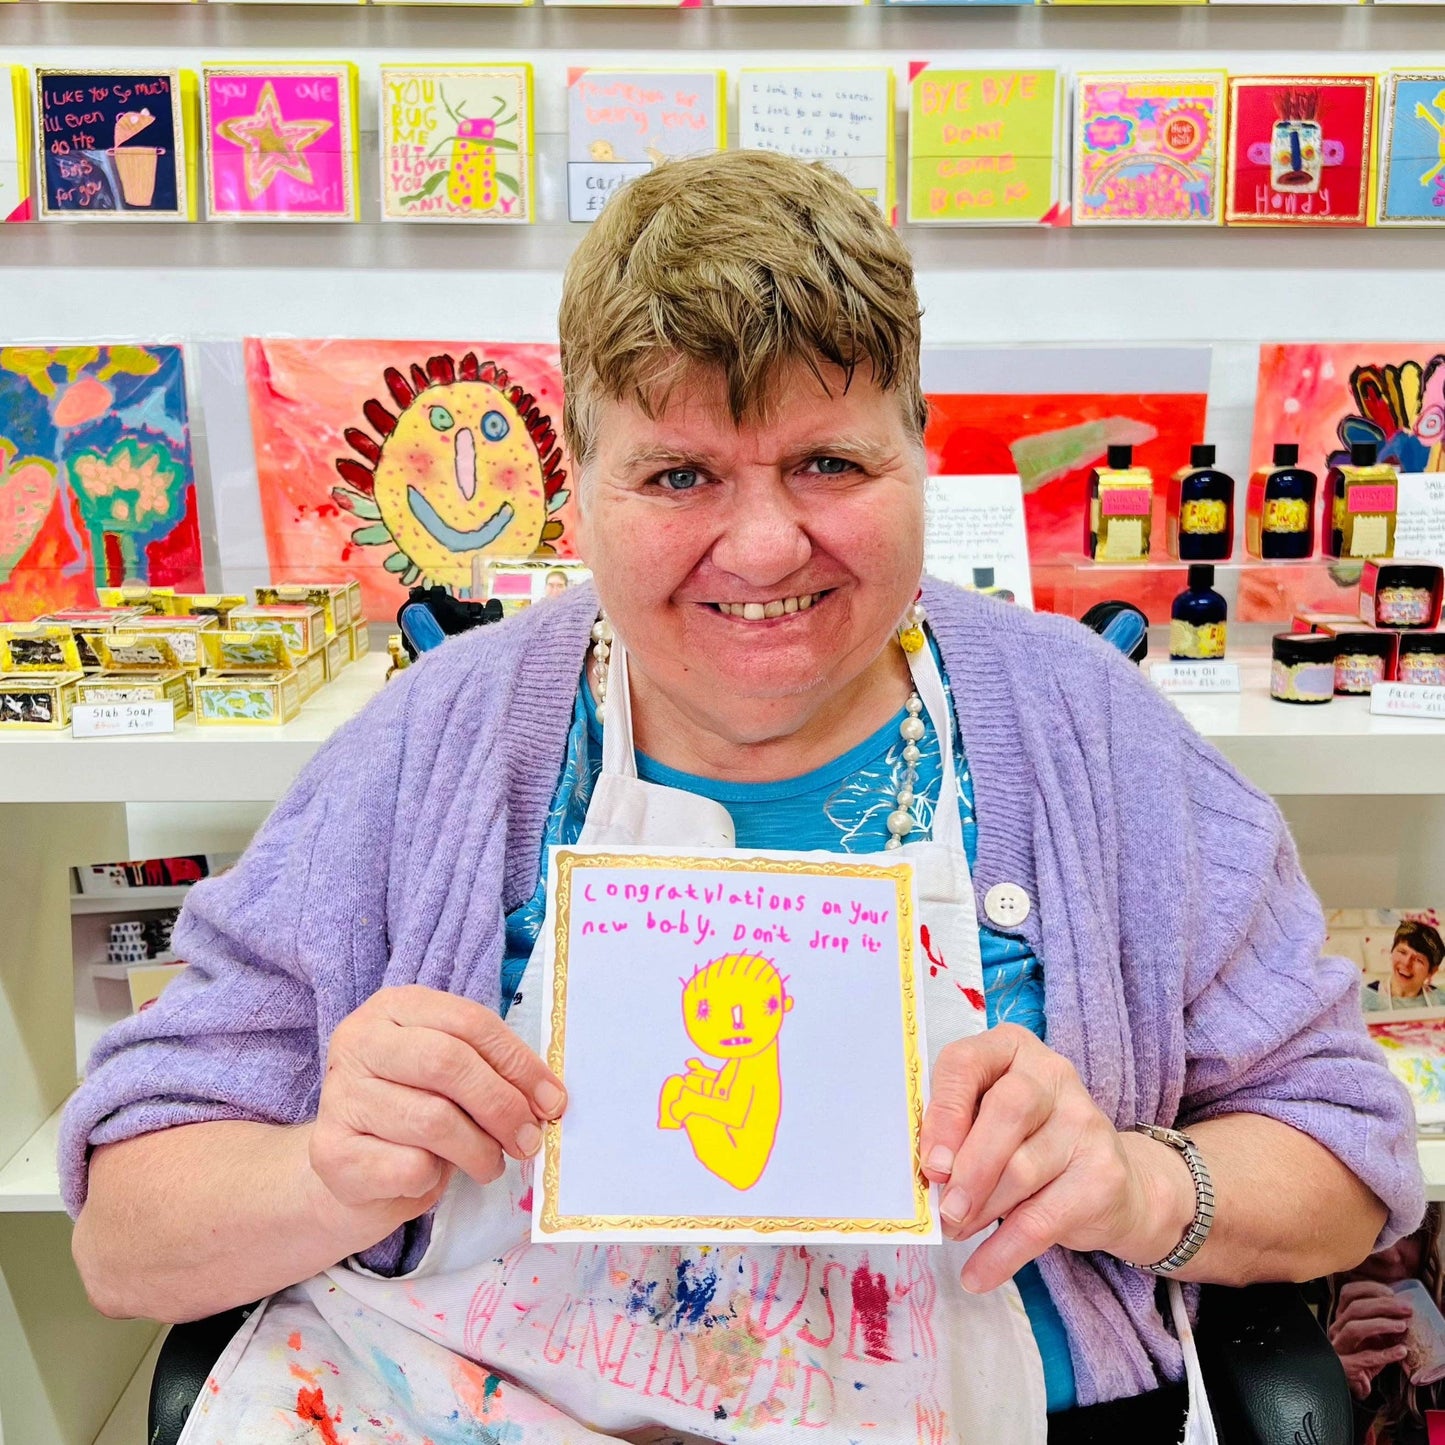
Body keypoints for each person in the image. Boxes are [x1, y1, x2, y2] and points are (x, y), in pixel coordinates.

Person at [61, 151, 1423, 1444]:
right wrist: (321, 1176)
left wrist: (1137, 1187)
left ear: (919, 457)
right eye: (679, 475)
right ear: (581, 492)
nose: (764, 544)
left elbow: (1343, 1167)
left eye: (829, 463)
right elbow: (127, 1234)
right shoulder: (436, 746)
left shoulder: (1086, 730)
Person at [1330, 1204, 1445, 1443]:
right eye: (1371, 1229)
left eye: (1409, 1232)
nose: (1389, 1255)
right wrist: (1336, 1391)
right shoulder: (1300, 1336)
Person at [1363, 920, 1445, 1012]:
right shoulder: (1364, 999)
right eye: (1402, 952)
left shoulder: (1441, 1002)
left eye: (1418, 960)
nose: (1406, 963)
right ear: (1392, 951)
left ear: (1432, 971)